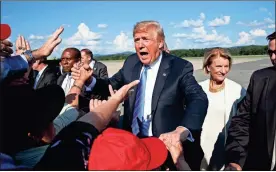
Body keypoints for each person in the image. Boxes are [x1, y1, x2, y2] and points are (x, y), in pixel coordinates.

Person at [72, 20, 208, 170]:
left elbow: (198, 98)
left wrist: (182, 130)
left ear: (160, 43)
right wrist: (90, 80)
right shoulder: (131, 62)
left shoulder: (179, 67)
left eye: (145, 39)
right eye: (137, 40)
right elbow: (111, 85)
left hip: (164, 149)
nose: (140, 45)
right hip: (134, 149)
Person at [225, 31, 276, 170]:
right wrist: (236, 158)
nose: (273, 57)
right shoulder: (260, 79)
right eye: (270, 52)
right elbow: (242, 121)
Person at [198, 48, 246, 170]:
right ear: (208, 67)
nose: (223, 71)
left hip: (225, 147)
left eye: (226, 66)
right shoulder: (198, 89)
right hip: (200, 147)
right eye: (219, 66)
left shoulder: (237, 90)